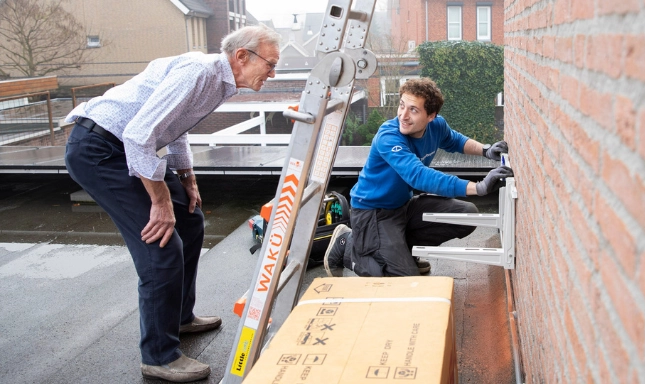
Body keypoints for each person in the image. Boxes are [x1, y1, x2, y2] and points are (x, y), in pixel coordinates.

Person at [63, 25, 281, 382]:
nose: (272, 74)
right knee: (161, 243)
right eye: (270, 65)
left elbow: (175, 126)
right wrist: (160, 201)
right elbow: (137, 135)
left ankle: (180, 317)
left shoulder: (219, 80)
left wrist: (187, 178)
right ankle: (159, 356)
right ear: (242, 56)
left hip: (132, 147)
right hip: (101, 150)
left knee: (191, 219)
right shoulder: (200, 73)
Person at [324, 78, 513, 277]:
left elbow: (454, 140)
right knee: (404, 280)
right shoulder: (389, 136)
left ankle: (401, 250)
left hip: (402, 207)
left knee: (466, 215)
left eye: (413, 110)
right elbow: (418, 176)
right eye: (402, 106)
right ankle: (348, 246)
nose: (403, 116)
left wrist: (486, 150)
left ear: (431, 115)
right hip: (372, 213)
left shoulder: (436, 126)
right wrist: (479, 187)